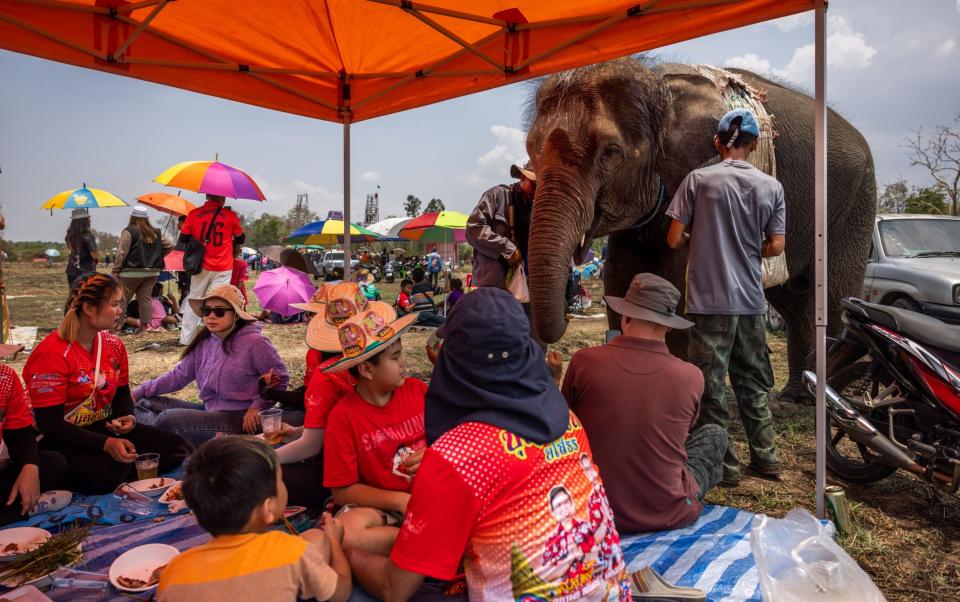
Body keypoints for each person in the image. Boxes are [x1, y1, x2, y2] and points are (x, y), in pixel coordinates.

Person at [348, 287, 631, 601]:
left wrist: (343, 551)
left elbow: (394, 587)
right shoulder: (568, 420)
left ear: (455, 362)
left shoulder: (455, 457)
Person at [665, 108, 786, 486]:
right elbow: (776, 246)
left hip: (708, 300)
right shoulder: (771, 187)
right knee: (751, 382)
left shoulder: (698, 180)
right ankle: (767, 458)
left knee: (710, 385)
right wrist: (750, 246)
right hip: (750, 300)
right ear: (753, 145)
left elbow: (672, 239)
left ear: (717, 141)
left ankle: (725, 466)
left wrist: (699, 240)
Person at [561, 273, 727, 532]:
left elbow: (566, 424)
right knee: (715, 435)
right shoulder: (691, 376)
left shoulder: (584, 362)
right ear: (669, 326)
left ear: (624, 317)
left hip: (594, 510)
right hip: (670, 513)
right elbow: (684, 432)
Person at [23, 273, 189, 494]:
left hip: (103, 428)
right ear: (90, 309)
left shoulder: (113, 345)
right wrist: (106, 444)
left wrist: (127, 417)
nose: (120, 311)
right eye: (114, 304)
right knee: (106, 474)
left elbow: (121, 394)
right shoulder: (51, 354)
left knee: (176, 448)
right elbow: (51, 425)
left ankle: (122, 470)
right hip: (60, 437)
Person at [158, 436, 351, 602]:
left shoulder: (174, 571)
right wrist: (334, 540)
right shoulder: (292, 552)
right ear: (268, 509)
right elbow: (341, 593)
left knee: (315, 537)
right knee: (319, 538)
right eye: (280, 480)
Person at [133, 284, 292, 446]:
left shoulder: (255, 342)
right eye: (206, 311)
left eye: (219, 311)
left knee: (168, 420)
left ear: (236, 315)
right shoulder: (206, 341)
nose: (211, 316)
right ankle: (164, 440)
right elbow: (178, 376)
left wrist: (257, 406)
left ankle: (160, 439)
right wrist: (140, 391)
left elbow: (281, 378)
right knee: (143, 403)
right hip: (210, 411)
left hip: (240, 418)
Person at [321, 305, 423, 555]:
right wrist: (399, 501)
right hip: (383, 507)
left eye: (401, 354)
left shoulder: (418, 391)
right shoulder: (343, 417)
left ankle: (417, 541)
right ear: (366, 369)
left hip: (429, 494)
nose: (403, 362)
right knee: (347, 531)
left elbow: (453, 441)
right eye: (395, 357)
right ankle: (423, 539)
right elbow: (343, 491)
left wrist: (435, 453)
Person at [0, 362, 67, 526]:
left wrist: (30, 466)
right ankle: (21, 508)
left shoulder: (5, 377)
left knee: (53, 463)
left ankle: (18, 506)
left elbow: (19, 433)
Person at [178, 194, 245, 346]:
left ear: (207, 196)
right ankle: (216, 338)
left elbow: (183, 238)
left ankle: (186, 339)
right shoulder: (230, 215)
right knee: (219, 302)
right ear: (223, 198)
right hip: (223, 265)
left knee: (194, 298)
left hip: (201, 264)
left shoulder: (194, 214)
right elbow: (241, 238)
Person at [466, 162, 535, 289]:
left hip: (523, 287)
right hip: (491, 286)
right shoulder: (497, 195)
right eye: (534, 184)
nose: (536, 190)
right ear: (522, 177)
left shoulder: (534, 209)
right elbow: (473, 229)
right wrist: (509, 249)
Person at [113, 205, 174, 334]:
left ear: (132, 217)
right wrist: (159, 257)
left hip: (130, 272)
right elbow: (170, 245)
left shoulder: (128, 231)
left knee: (123, 299)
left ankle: (116, 327)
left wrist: (115, 270)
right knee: (145, 299)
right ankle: (145, 327)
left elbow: (121, 252)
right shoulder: (156, 232)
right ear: (147, 218)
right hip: (152, 272)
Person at [64, 208, 99, 291]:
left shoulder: (69, 235)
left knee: (74, 296)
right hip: (86, 272)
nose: (90, 220)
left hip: (71, 270)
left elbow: (71, 251)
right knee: (86, 296)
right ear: (84, 221)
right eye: (88, 218)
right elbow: (95, 256)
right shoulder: (88, 236)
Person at [175, 215, 192, 306]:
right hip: (187, 268)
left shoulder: (185, 236)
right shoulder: (188, 235)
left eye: (179, 222)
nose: (177, 225)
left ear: (184, 223)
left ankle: (184, 308)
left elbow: (180, 252)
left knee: (186, 290)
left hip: (184, 268)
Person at [230, 244, 249, 309]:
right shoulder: (243, 264)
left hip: (225, 291)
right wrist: (236, 294)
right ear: (240, 251)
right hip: (239, 292)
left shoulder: (225, 262)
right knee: (242, 312)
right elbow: (241, 281)